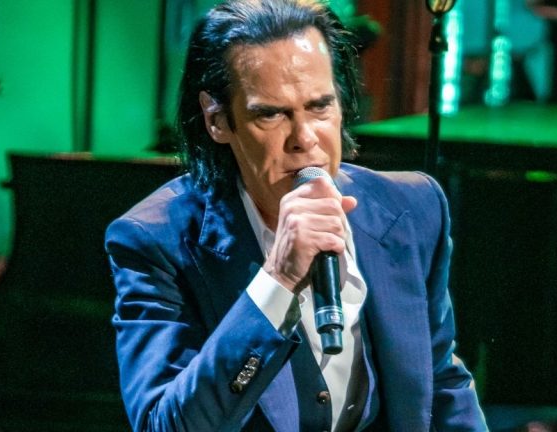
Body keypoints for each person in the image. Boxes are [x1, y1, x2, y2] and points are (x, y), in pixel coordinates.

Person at [105, 0, 487, 430]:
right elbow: (163, 425)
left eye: (320, 106)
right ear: (217, 119)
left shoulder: (412, 207)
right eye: (271, 114)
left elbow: (442, 382)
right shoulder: (155, 240)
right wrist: (278, 280)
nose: (305, 139)